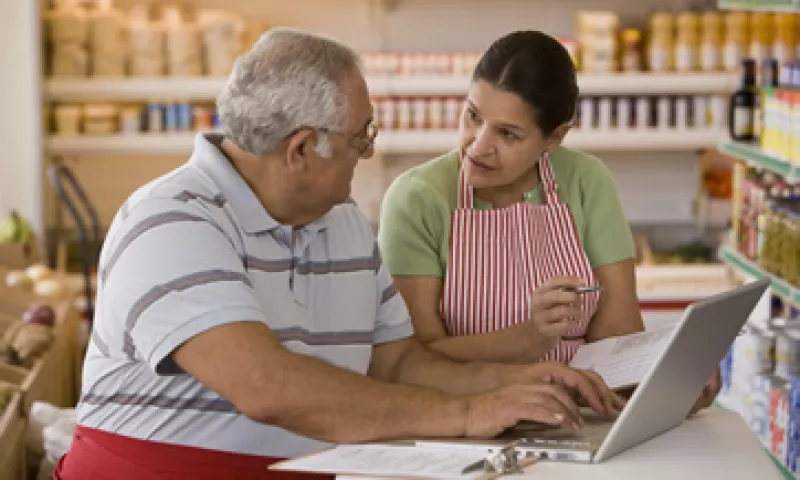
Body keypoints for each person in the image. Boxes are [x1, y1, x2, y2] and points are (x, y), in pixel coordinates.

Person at [54, 28, 623, 480]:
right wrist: (472, 413)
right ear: (301, 149)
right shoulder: (172, 219)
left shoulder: (344, 225)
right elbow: (267, 387)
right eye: (361, 137)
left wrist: (521, 384)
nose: (367, 153)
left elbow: (398, 362)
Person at [377, 30, 719, 410]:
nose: (478, 146)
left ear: (554, 138)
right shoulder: (417, 199)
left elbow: (617, 331)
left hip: (579, 415)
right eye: (473, 116)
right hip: (463, 419)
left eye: (508, 134)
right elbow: (413, 359)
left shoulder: (587, 181)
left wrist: (665, 381)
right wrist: (529, 337)